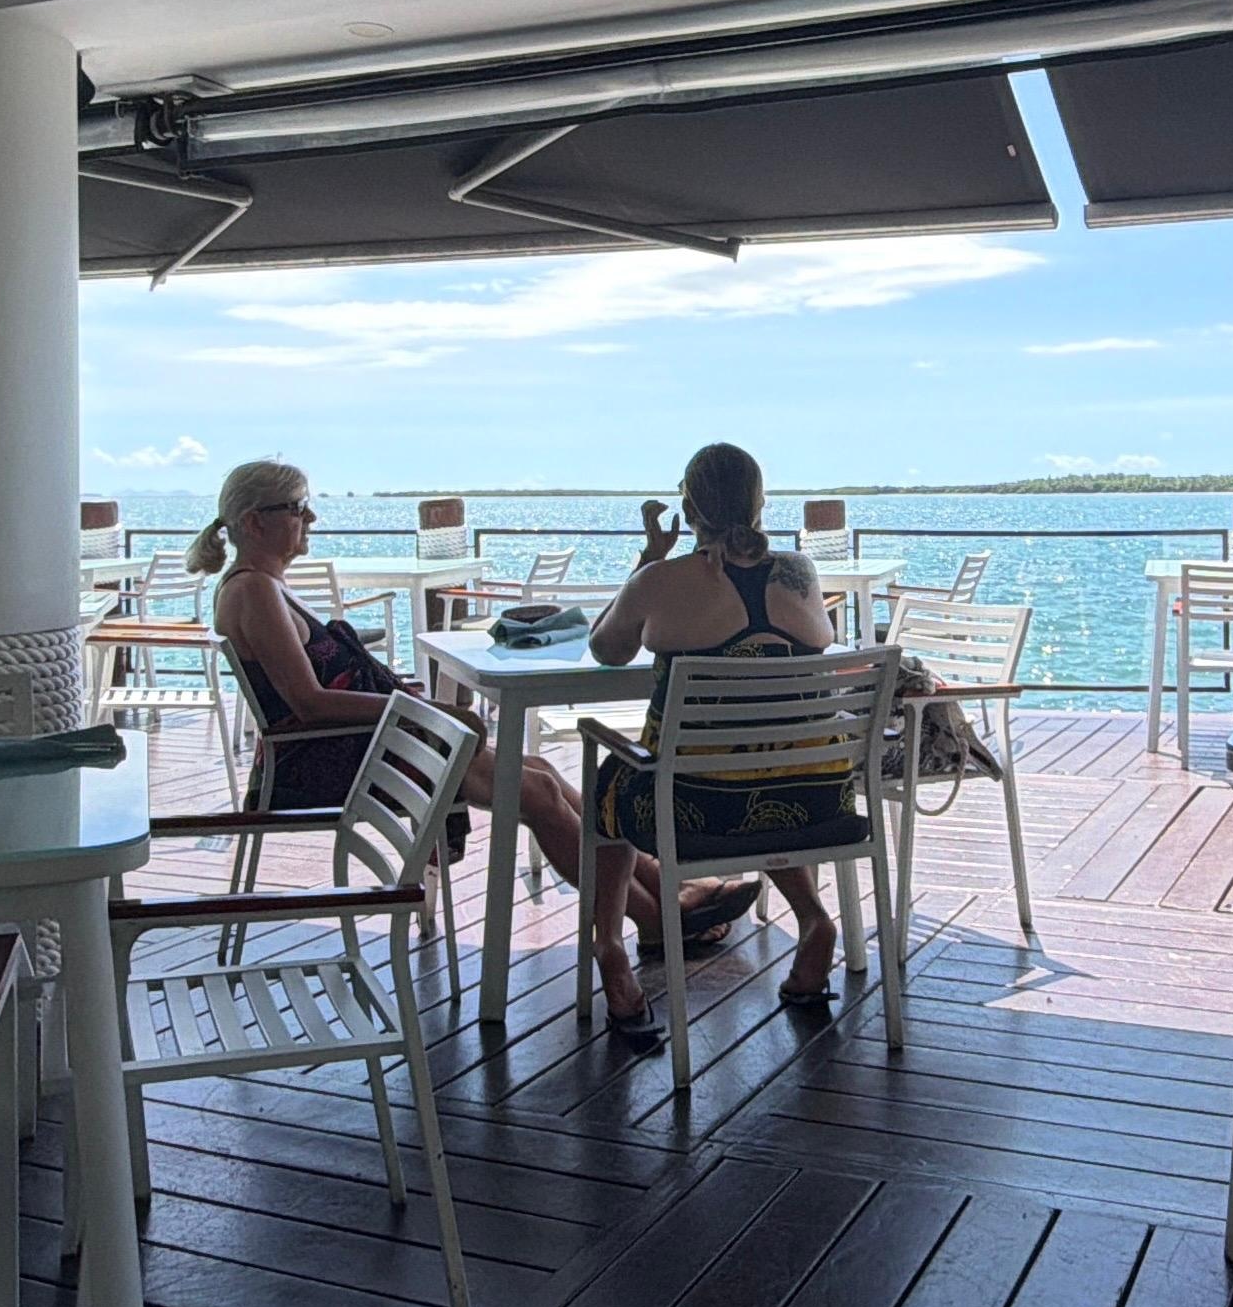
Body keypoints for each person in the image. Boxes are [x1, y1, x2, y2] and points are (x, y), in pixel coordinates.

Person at [194, 462, 748, 1015]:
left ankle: (669, 900)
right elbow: (309, 702)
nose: (309, 516)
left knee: (541, 772)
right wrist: (426, 711)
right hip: (333, 757)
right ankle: (655, 918)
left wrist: (420, 712)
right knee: (536, 795)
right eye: (296, 507)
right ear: (254, 522)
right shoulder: (254, 594)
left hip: (359, 742)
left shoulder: (265, 587)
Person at [583, 444, 854, 1047]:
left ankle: (608, 949)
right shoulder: (800, 573)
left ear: (687, 506)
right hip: (816, 800)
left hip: (696, 812)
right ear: (761, 503)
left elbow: (607, 649)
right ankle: (813, 920)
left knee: (609, 778)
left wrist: (646, 561)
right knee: (761, 765)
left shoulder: (661, 581)